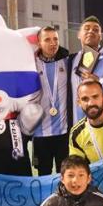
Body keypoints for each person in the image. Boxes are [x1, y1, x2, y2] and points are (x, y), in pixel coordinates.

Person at [32, 25, 72, 175]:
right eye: (47, 39)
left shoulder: (67, 62)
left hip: (63, 131)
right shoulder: (32, 64)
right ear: (39, 43)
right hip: (40, 132)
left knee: (64, 173)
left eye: (55, 39)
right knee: (44, 174)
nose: (52, 43)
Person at [70, 16, 103, 121]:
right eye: (87, 28)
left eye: (95, 30)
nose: (91, 31)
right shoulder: (71, 59)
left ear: (101, 36)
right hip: (77, 124)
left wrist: (99, 82)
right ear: (79, 35)